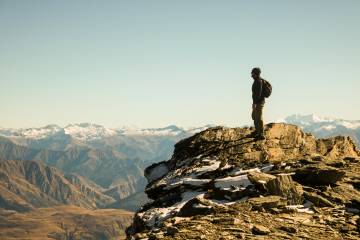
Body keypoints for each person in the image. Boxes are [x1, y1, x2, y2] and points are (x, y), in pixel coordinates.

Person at [251, 67, 266, 140]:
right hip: (256, 102)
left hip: (259, 103)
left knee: (259, 117)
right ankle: (257, 131)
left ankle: (261, 134)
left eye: (252, 73)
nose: (251, 75)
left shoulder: (259, 81)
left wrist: (255, 103)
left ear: (256, 74)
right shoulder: (256, 81)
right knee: (254, 116)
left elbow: (258, 94)